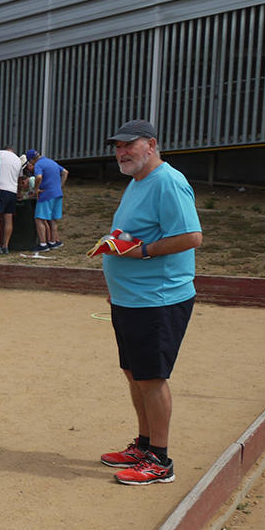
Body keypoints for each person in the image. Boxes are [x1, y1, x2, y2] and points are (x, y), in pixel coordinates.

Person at [97, 119, 202, 485]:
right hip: (129, 298)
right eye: (117, 147)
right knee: (134, 373)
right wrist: (115, 243)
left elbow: (191, 236)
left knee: (152, 378)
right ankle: (143, 445)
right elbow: (136, 231)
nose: (121, 152)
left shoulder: (168, 182)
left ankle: (160, 460)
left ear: (152, 144)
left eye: (129, 145)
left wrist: (141, 252)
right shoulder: (137, 182)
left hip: (158, 299)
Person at [23, 149, 69, 252]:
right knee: (53, 219)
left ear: (31, 160)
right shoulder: (51, 161)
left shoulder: (38, 165)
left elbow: (38, 177)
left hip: (46, 194)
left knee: (39, 219)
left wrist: (36, 190)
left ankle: (43, 244)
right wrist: (59, 186)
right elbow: (65, 172)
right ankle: (53, 242)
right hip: (58, 193)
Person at [0, 147, 25, 256]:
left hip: (0, 189)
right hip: (12, 191)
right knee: (8, 218)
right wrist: (19, 192)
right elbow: (20, 179)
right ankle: (5, 247)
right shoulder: (17, 160)